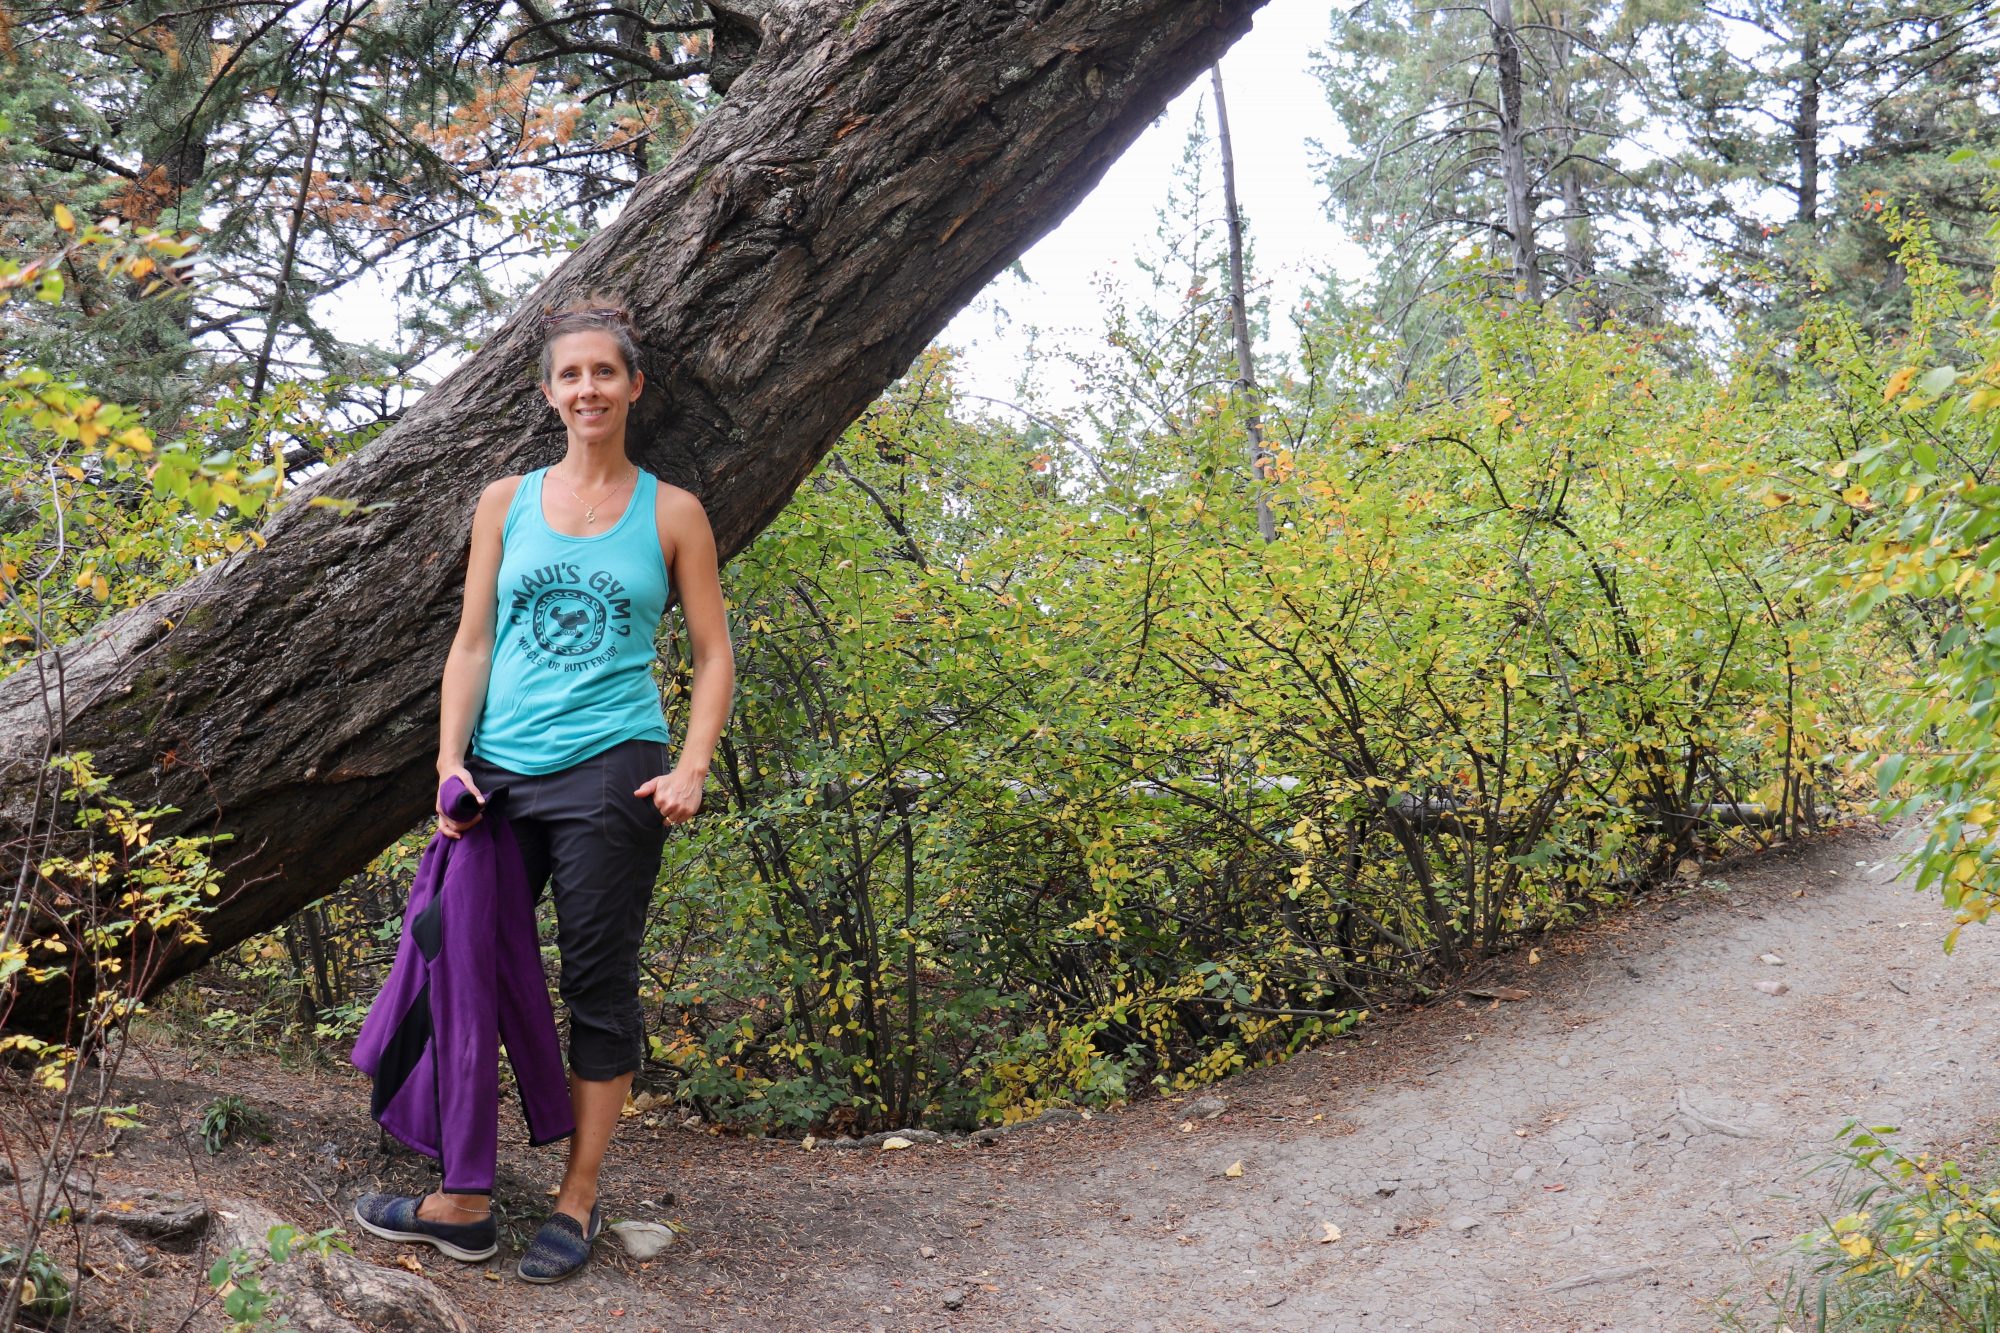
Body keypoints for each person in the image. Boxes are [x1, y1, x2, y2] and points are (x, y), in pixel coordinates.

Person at [353, 300, 734, 1283]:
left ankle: (576, 1198)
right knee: (455, 957)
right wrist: (449, 761)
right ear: (547, 390)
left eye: (604, 373)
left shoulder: (672, 511)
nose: (587, 390)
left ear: (633, 386)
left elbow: (712, 651)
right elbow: (471, 640)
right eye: (570, 376)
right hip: (498, 775)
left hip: (613, 769)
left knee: (598, 984)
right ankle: (463, 1198)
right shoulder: (504, 502)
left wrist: (690, 763)